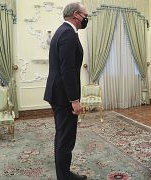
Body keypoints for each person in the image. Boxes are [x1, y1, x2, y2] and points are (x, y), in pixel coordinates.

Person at [44, 2, 88, 180]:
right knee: (65, 137)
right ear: (76, 15)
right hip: (63, 96)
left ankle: (64, 174)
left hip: (58, 92)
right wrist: (74, 100)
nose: (87, 18)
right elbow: (67, 70)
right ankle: (64, 177)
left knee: (62, 135)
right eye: (85, 15)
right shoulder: (68, 34)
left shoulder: (62, 31)